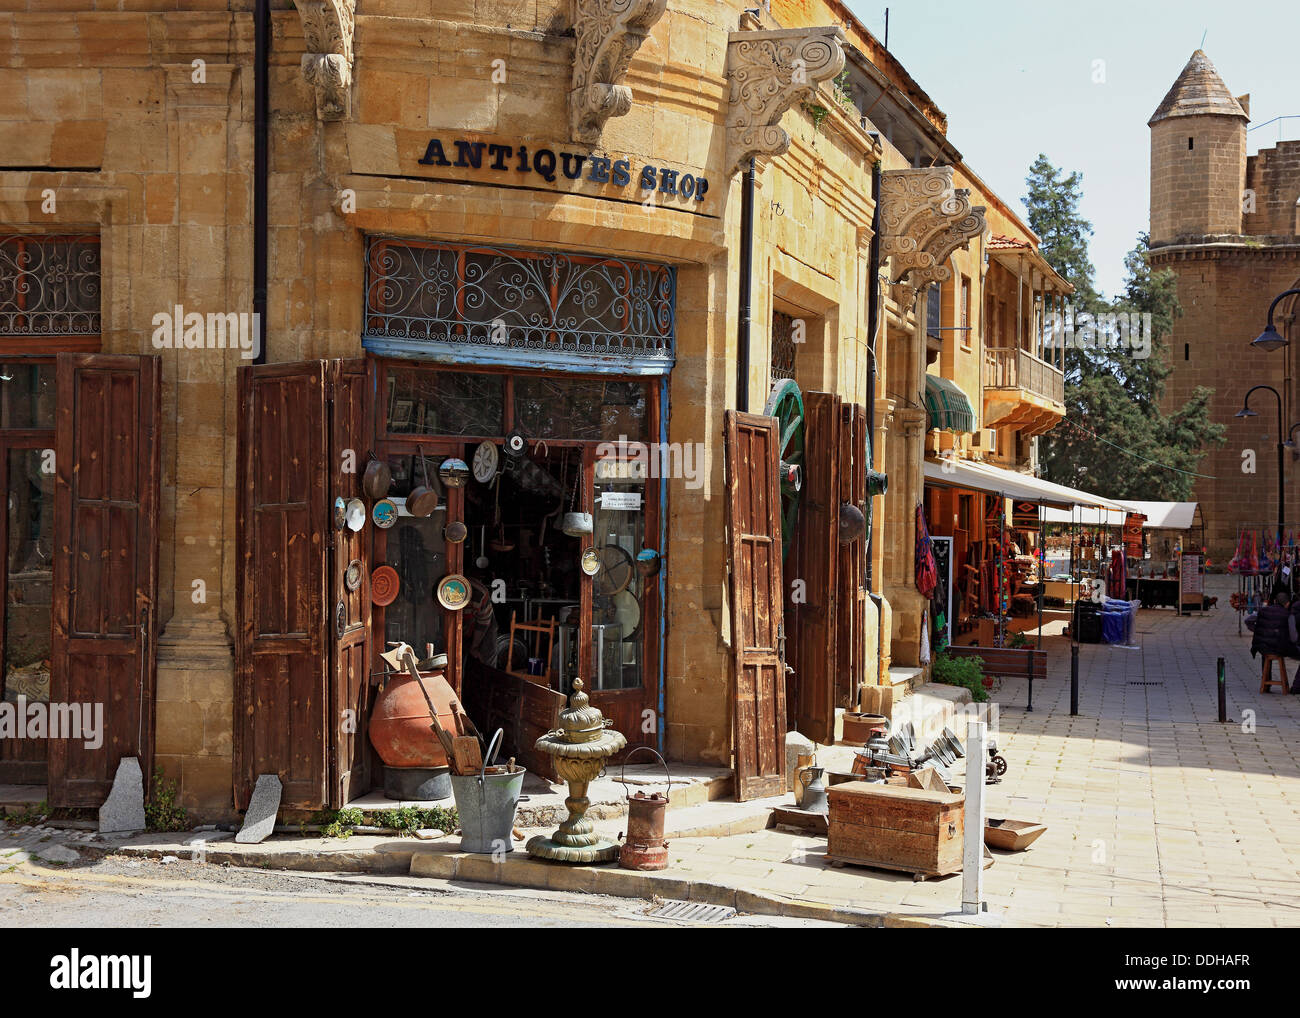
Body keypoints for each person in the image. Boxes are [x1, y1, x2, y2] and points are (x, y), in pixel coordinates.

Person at [1250, 590, 1295, 692]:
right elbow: (1293, 637)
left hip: (1262, 647)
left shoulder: (1263, 611)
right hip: (1280, 648)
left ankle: (1265, 682)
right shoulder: (1288, 615)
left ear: (1274, 601)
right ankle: (1296, 686)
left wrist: (1260, 630)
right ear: (1287, 603)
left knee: (1266, 648)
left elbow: (1248, 620)